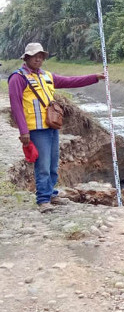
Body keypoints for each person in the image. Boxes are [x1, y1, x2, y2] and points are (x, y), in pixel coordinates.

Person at [8, 43, 105, 213]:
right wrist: (23, 131)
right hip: (36, 129)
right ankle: (43, 200)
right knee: (43, 165)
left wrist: (94, 77)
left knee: (53, 163)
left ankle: (52, 194)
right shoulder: (18, 78)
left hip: (52, 126)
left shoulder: (46, 76)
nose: (38, 59)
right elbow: (16, 106)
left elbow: (70, 81)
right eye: (34, 56)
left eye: (41, 56)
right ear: (27, 57)